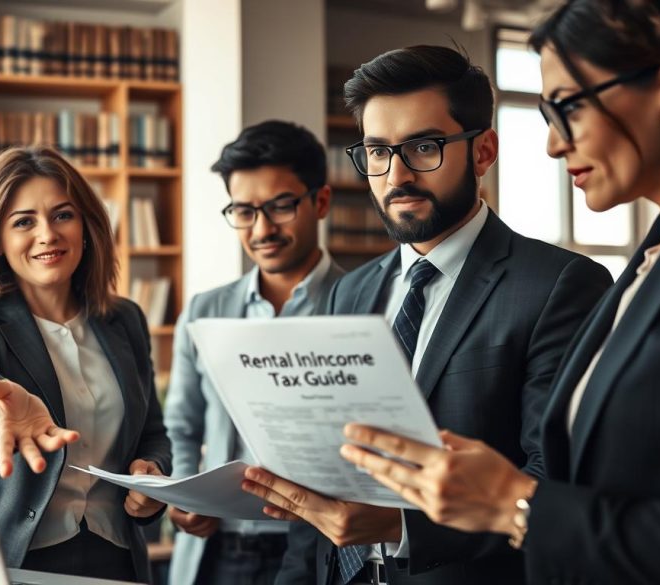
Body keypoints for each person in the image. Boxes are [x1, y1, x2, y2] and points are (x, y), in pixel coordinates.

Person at [338, 1, 660, 584]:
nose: (551, 144)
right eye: (546, 112)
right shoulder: (654, 258)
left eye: (569, 106)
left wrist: (514, 505)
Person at [241, 46, 613, 584]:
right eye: (376, 152)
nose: (396, 176)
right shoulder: (350, 293)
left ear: (483, 152)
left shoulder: (560, 285)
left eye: (423, 146)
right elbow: (323, 479)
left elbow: (552, 477)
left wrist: (401, 527)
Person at [0, 146, 171, 583]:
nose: (48, 234)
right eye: (24, 222)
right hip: (12, 558)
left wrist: (151, 476)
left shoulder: (126, 319)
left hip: (117, 559)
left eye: (62, 215)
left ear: (86, 227)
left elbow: (152, 431)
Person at [164, 120, 346, 585]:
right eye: (244, 211)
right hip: (220, 551)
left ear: (320, 201)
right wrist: (187, 499)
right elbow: (182, 427)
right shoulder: (205, 311)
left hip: (322, 548)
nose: (261, 229)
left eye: (280, 206)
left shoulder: (361, 304)